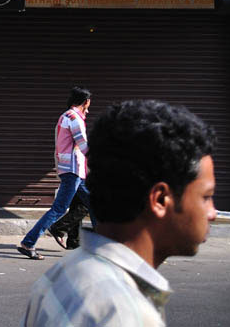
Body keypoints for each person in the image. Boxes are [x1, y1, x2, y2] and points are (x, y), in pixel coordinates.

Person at [23, 100, 217, 326]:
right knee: (60, 208)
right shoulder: (126, 314)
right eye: (206, 197)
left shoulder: (57, 276)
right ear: (161, 200)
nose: (212, 212)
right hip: (73, 173)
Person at [18, 86, 92, 260]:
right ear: (85, 102)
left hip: (74, 171)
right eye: (89, 104)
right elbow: (84, 146)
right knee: (58, 209)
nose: (89, 109)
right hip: (73, 171)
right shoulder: (74, 118)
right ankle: (28, 243)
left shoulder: (65, 116)